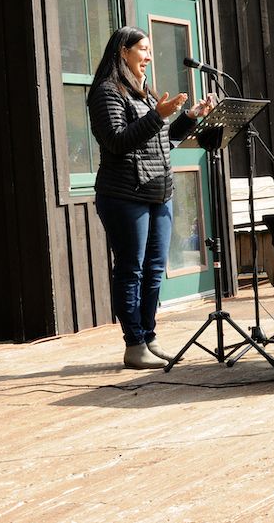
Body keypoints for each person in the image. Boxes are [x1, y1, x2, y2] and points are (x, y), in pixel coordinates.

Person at [87, 26, 214, 369]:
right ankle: (134, 344)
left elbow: (163, 141)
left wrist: (189, 117)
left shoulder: (144, 92)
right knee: (131, 269)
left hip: (159, 191)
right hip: (124, 194)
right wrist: (158, 114)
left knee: (154, 269)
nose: (149, 56)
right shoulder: (107, 92)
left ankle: (149, 336)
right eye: (142, 49)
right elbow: (117, 141)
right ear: (123, 52)